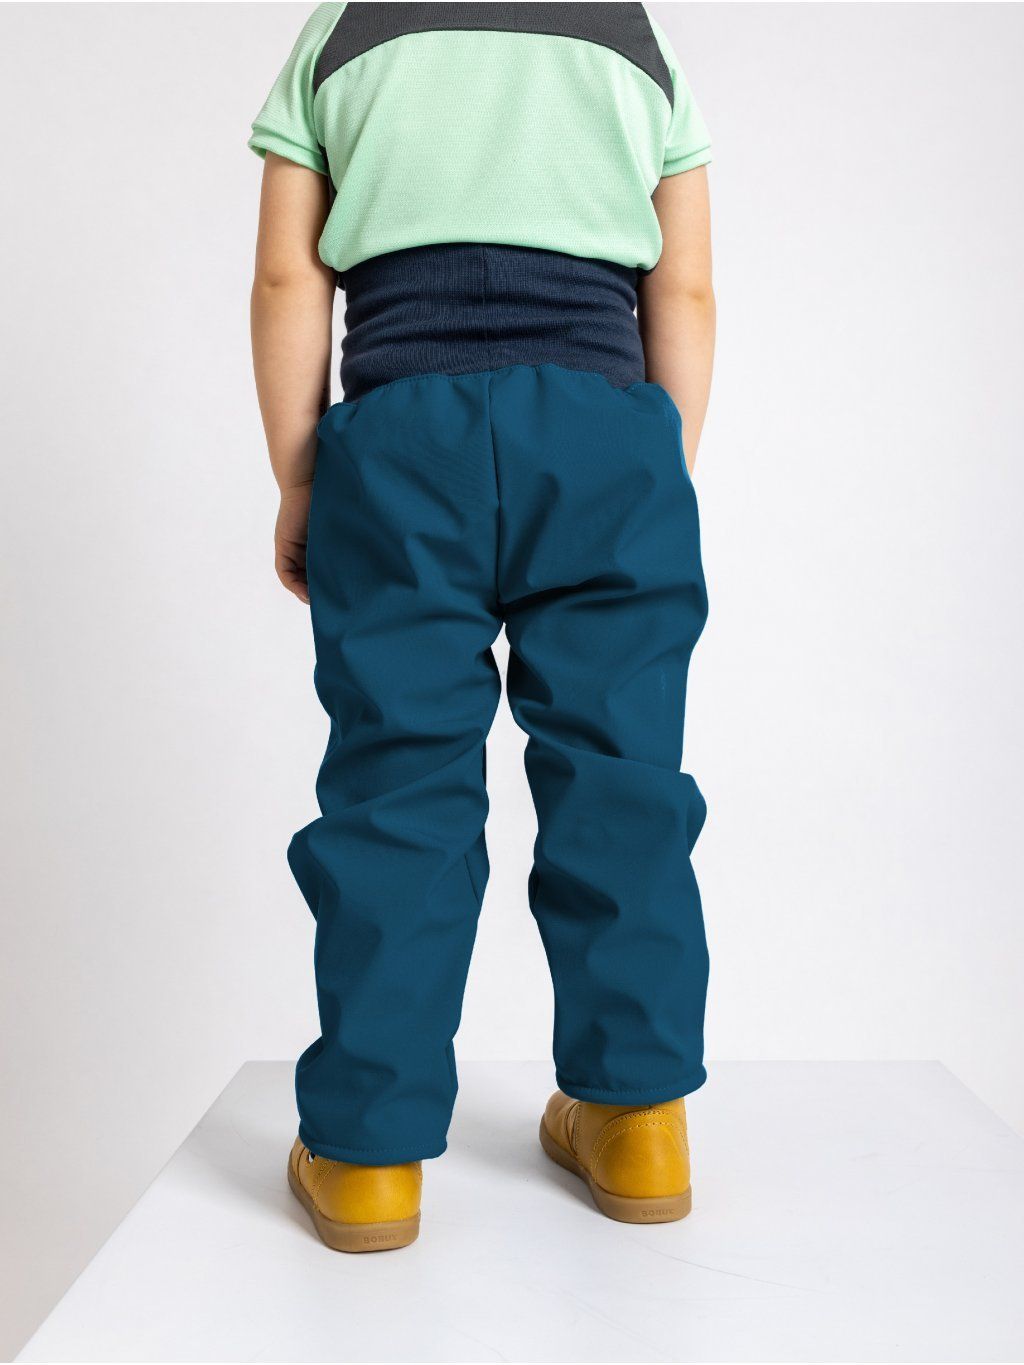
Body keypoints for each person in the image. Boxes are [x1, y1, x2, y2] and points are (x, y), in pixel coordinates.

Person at [250, 1, 715, 1253]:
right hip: (606, 437)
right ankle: (637, 1117)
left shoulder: (343, 34)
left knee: (397, 789)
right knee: (622, 780)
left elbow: (291, 277)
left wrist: (299, 475)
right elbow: (682, 284)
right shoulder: (633, 40)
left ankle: (367, 1156)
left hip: (402, 444)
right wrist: (655, 473)